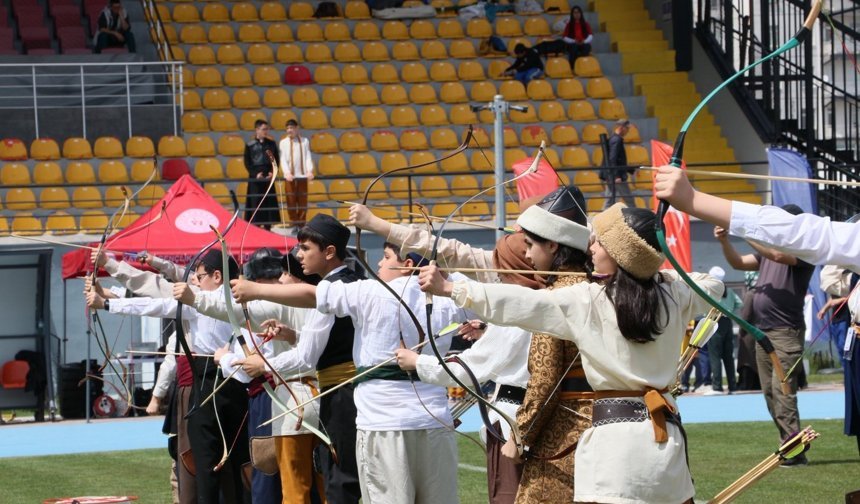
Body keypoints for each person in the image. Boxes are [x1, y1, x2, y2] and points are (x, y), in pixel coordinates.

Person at [419, 203, 723, 503]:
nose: (591, 247)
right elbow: (714, 286)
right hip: (665, 442)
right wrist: (652, 275)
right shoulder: (674, 293)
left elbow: (524, 303)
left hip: (613, 447)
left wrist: (451, 289)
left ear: (620, 254)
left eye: (601, 242)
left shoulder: (588, 300)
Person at [231, 242, 465, 504]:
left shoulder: (370, 291)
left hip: (383, 421)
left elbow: (314, 295)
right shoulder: (448, 296)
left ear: (407, 265)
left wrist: (254, 290)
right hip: (434, 419)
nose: (378, 263)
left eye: (386, 257)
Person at [348, 202, 543, 504]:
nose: (496, 278)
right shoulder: (545, 295)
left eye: (531, 245)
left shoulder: (526, 303)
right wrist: (376, 224)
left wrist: (418, 362)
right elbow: (455, 252)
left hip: (515, 425)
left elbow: (473, 367)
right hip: (520, 422)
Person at [88, 250, 251, 503]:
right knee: (239, 463)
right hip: (240, 386)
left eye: (200, 276)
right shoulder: (246, 299)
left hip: (208, 386)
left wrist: (107, 304)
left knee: (206, 466)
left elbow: (155, 305)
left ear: (217, 276)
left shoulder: (200, 301)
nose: (195, 281)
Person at [174, 247, 326, 504]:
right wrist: (289, 336)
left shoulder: (307, 299)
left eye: (286, 274)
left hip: (284, 400)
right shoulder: (299, 301)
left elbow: (302, 356)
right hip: (303, 398)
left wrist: (229, 359)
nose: (281, 279)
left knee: (282, 480)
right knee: (314, 481)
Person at [714, 207, 813, 462]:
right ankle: (789, 443)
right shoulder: (768, 253)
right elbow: (737, 262)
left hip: (785, 333)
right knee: (770, 392)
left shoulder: (801, 251)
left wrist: (741, 230)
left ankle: (794, 450)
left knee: (783, 391)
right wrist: (726, 241)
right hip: (764, 332)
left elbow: (779, 255)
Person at [653, 164, 860, 272]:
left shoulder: (798, 255)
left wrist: (693, 201)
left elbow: (795, 236)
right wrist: (725, 240)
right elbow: (739, 263)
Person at [706, 266, 743, 394]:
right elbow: (740, 304)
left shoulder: (710, 291)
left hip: (714, 321)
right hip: (728, 322)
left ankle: (717, 386)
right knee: (728, 356)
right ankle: (732, 386)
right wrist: (730, 310)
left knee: (715, 355)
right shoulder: (729, 291)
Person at [279, 119, 315, 231]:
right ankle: (294, 223)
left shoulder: (304, 141)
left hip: (302, 176)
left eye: (292, 128)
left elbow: (308, 156)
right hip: (290, 177)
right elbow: (283, 159)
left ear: (297, 128)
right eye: (288, 128)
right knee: (291, 201)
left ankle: (302, 223)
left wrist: (310, 170)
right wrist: (286, 173)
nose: (289, 130)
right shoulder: (283, 142)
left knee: (303, 201)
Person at [244, 120, 280, 229]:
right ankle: (256, 228)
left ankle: (268, 228)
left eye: (267, 129)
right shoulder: (249, 145)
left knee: (268, 203)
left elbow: (276, 160)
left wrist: (272, 172)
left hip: (268, 177)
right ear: (257, 130)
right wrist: (255, 174)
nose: (266, 131)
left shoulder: (271, 144)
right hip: (255, 178)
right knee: (256, 203)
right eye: (264, 129)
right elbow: (247, 162)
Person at [601, 119, 636, 209]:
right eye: (627, 129)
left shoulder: (614, 139)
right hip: (616, 175)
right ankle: (637, 217)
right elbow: (613, 158)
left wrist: (629, 169)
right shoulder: (617, 140)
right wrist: (616, 176)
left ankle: (601, 219)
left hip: (611, 174)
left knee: (609, 200)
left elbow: (615, 159)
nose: (628, 131)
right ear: (622, 128)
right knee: (628, 199)